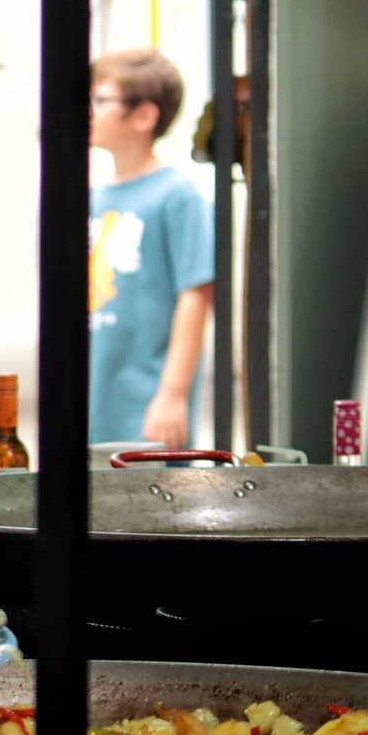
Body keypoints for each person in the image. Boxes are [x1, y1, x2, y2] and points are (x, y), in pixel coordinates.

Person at [88, 48, 214, 448]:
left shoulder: (177, 196)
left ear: (144, 116)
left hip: (147, 406)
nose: (88, 110)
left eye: (100, 100)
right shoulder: (93, 196)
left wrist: (173, 395)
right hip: (96, 395)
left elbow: (196, 295)